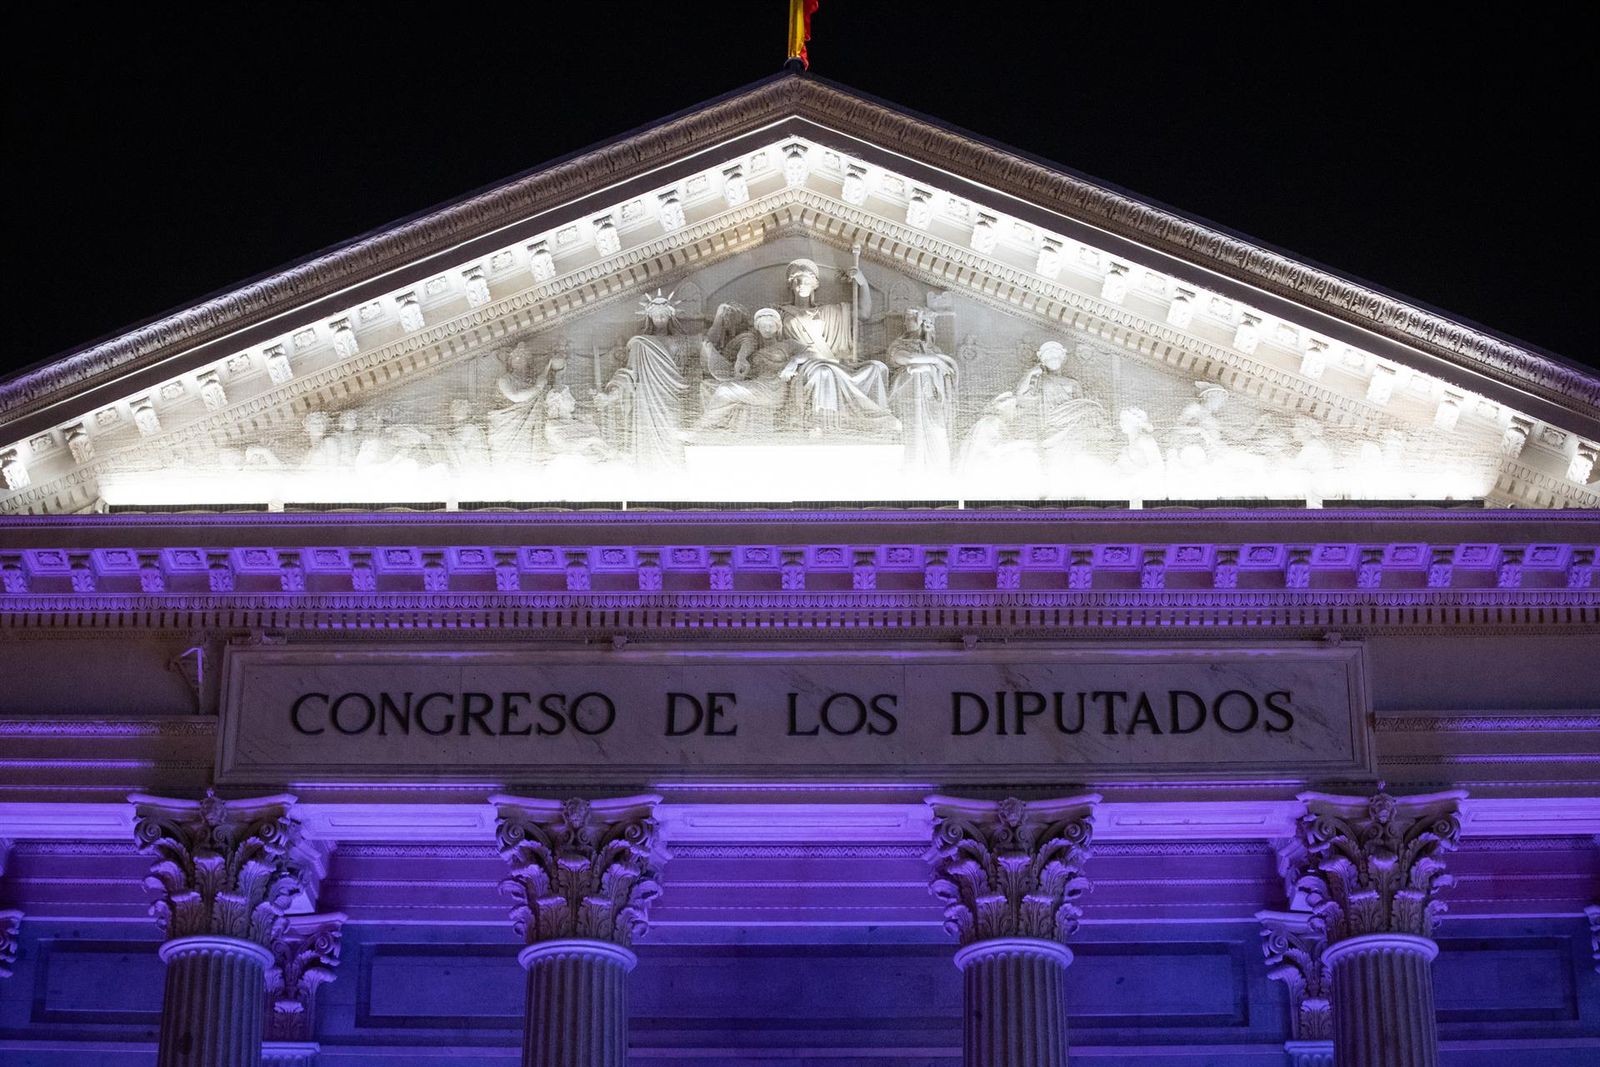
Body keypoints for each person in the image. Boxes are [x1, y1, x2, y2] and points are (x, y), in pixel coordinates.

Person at [776, 258, 896, 434]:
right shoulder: (780, 313)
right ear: (791, 285)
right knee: (823, 372)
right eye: (797, 280)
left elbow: (864, 312)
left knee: (875, 368)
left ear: (815, 285)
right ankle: (820, 423)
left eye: (807, 280)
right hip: (806, 365)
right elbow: (763, 337)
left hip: (837, 363)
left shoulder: (831, 311)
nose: (802, 284)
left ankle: (877, 421)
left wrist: (862, 283)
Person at [602, 290, 688, 466]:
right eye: (656, 315)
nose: (660, 319)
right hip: (647, 399)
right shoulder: (640, 343)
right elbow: (630, 373)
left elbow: (684, 368)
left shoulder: (680, 341)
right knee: (647, 443)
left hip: (670, 396)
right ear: (649, 317)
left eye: (664, 315)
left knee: (673, 436)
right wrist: (612, 395)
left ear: (671, 316)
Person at [698, 307, 801, 434]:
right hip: (757, 385)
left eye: (771, 325)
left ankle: (700, 428)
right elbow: (746, 344)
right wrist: (741, 359)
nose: (767, 329)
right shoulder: (754, 344)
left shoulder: (788, 344)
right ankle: (717, 426)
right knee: (710, 386)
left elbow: (813, 354)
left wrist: (794, 362)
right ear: (757, 327)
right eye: (763, 326)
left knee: (725, 391)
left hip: (773, 389)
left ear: (778, 326)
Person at [887, 308, 958, 474]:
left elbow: (949, 375)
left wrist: (933, 362)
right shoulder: (898, 346)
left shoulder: (936, 352)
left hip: (932, 402)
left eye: (920, 318)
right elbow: (908, 359)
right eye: (911, 316)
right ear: (904, 322)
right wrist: (934, 362)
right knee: (913, 437)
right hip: (909, 400)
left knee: (939, 436)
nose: (917, 320)